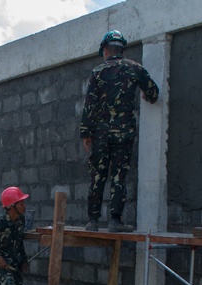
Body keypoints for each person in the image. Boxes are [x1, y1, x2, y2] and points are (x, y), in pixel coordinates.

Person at [80, 30, 159, 232]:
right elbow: (153, 92)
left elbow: (89, 105)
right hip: (123, 134)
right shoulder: (134, 69)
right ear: (121, 49)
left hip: (100, 134)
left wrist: (85, 133)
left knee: (98, 175)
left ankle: (93, 221)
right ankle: (115, 221)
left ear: (105, 50)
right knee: (118, 175)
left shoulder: (97, 73)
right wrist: (144, 93)